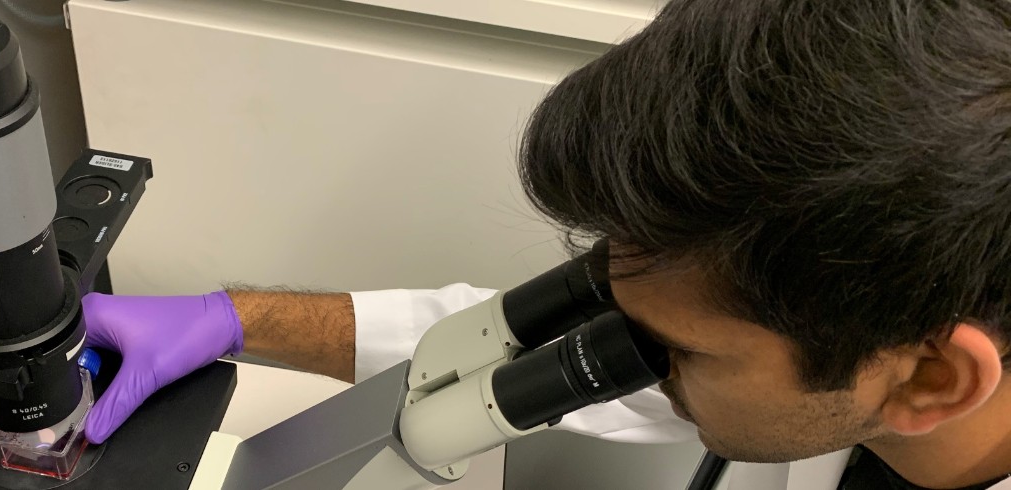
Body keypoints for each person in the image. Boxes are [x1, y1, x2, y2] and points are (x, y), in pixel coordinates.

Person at [79, 0, 1011, 488]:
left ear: (933, 382)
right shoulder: (877, 337)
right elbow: (487, 350)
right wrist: (232, 317)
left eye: (674, 351)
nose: (631, 360)